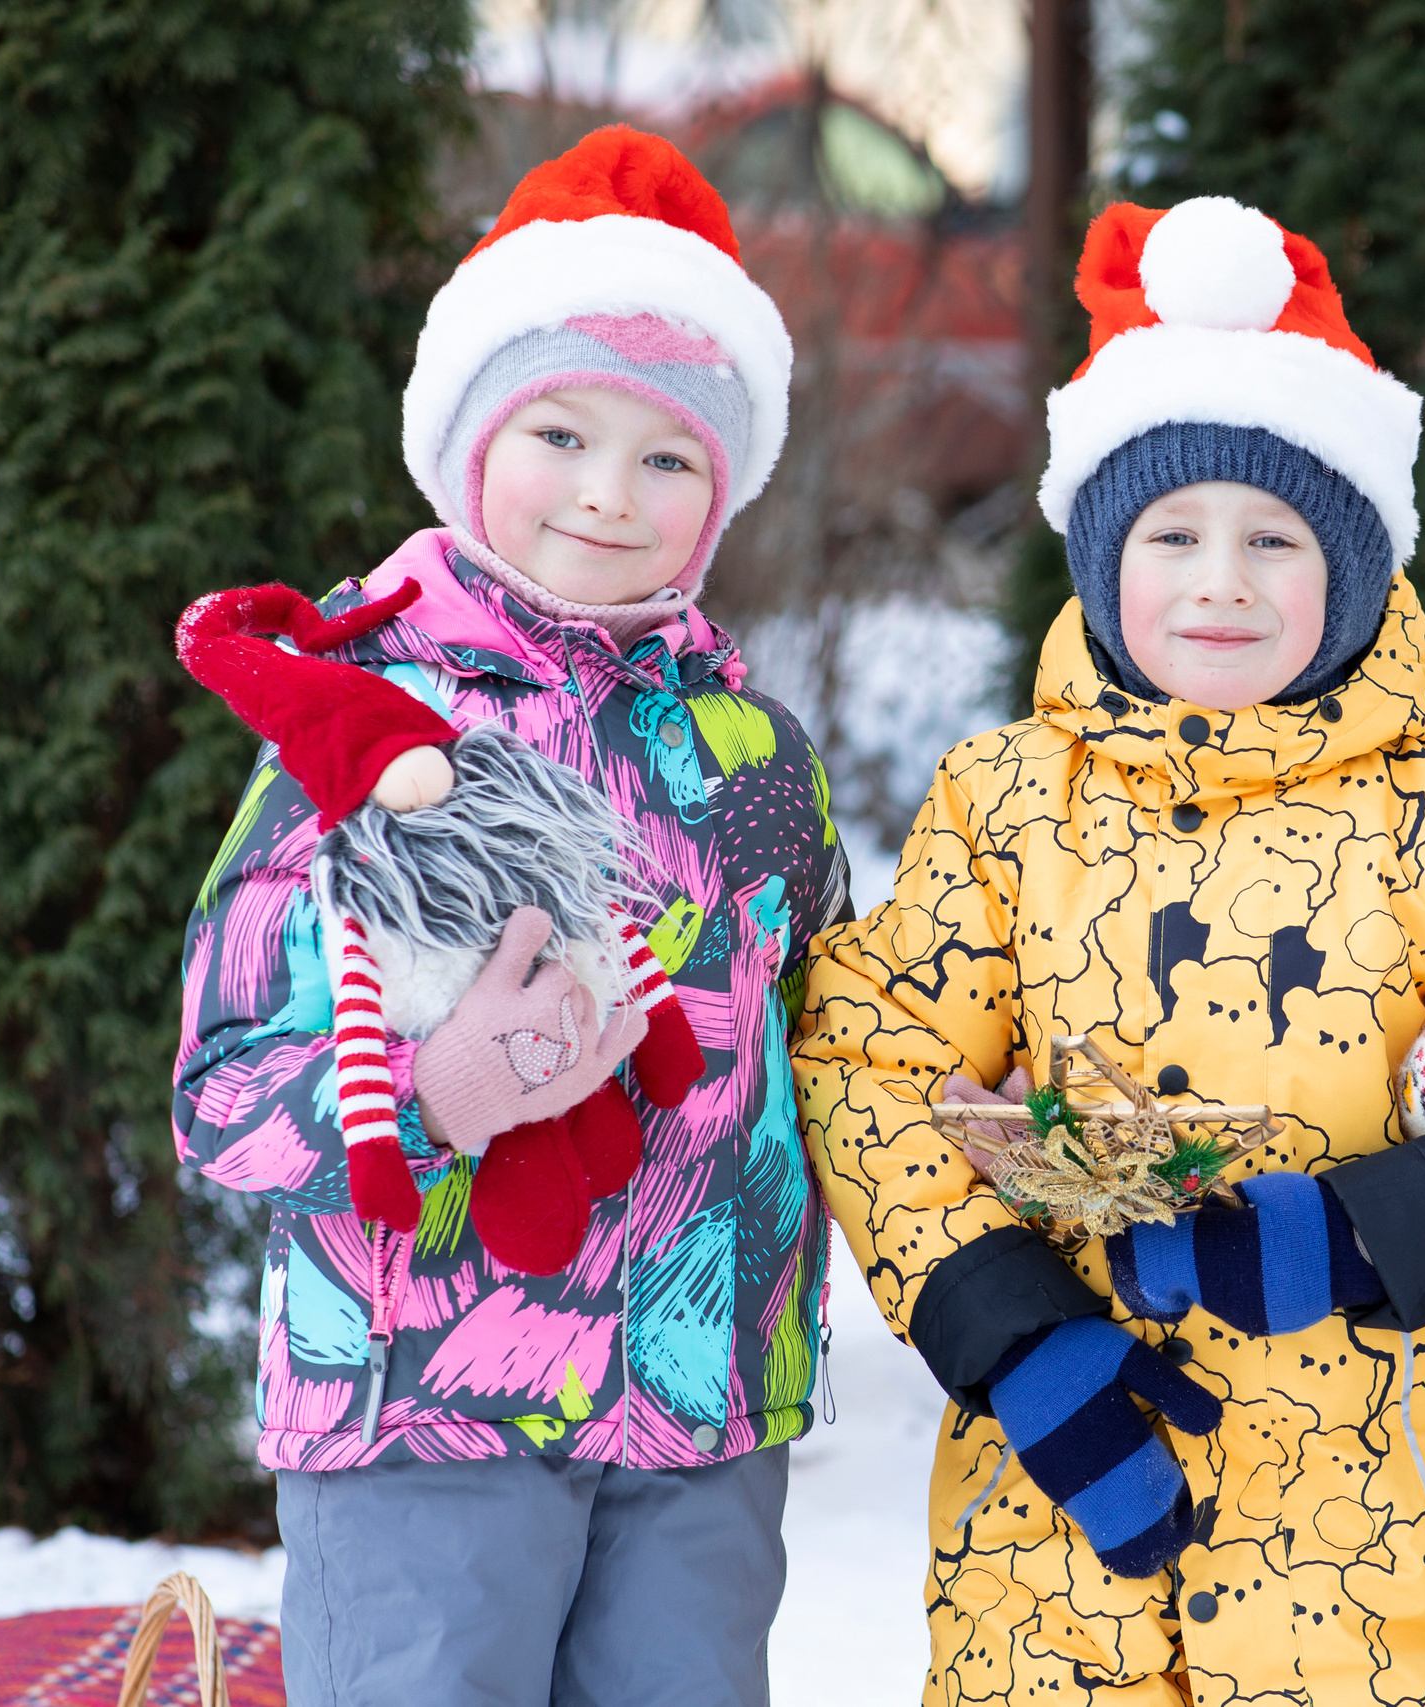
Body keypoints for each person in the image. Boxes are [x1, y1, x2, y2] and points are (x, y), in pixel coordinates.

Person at [793, 194, 1425, 1707]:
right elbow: (870, 1057)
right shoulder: (1008, 803)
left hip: (1368, 1537)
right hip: (1054, 1531)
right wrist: (1018, 1343)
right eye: (1172, 534)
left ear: (1352, 567)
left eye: (1275, 538)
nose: (1220, 581)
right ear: (1098, 559)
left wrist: (1354, 1236)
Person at [171, 128, 845, 1706]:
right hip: (423, 1412)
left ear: (724, 493)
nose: (610, 496)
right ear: (469, 437)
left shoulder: (753, 753)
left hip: (702, 1416)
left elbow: (836, 1030)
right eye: (560, 430)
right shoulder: (360, 729)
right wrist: (438, 1092)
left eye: (670, 456)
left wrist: (969, 1091)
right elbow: (218, 1100)